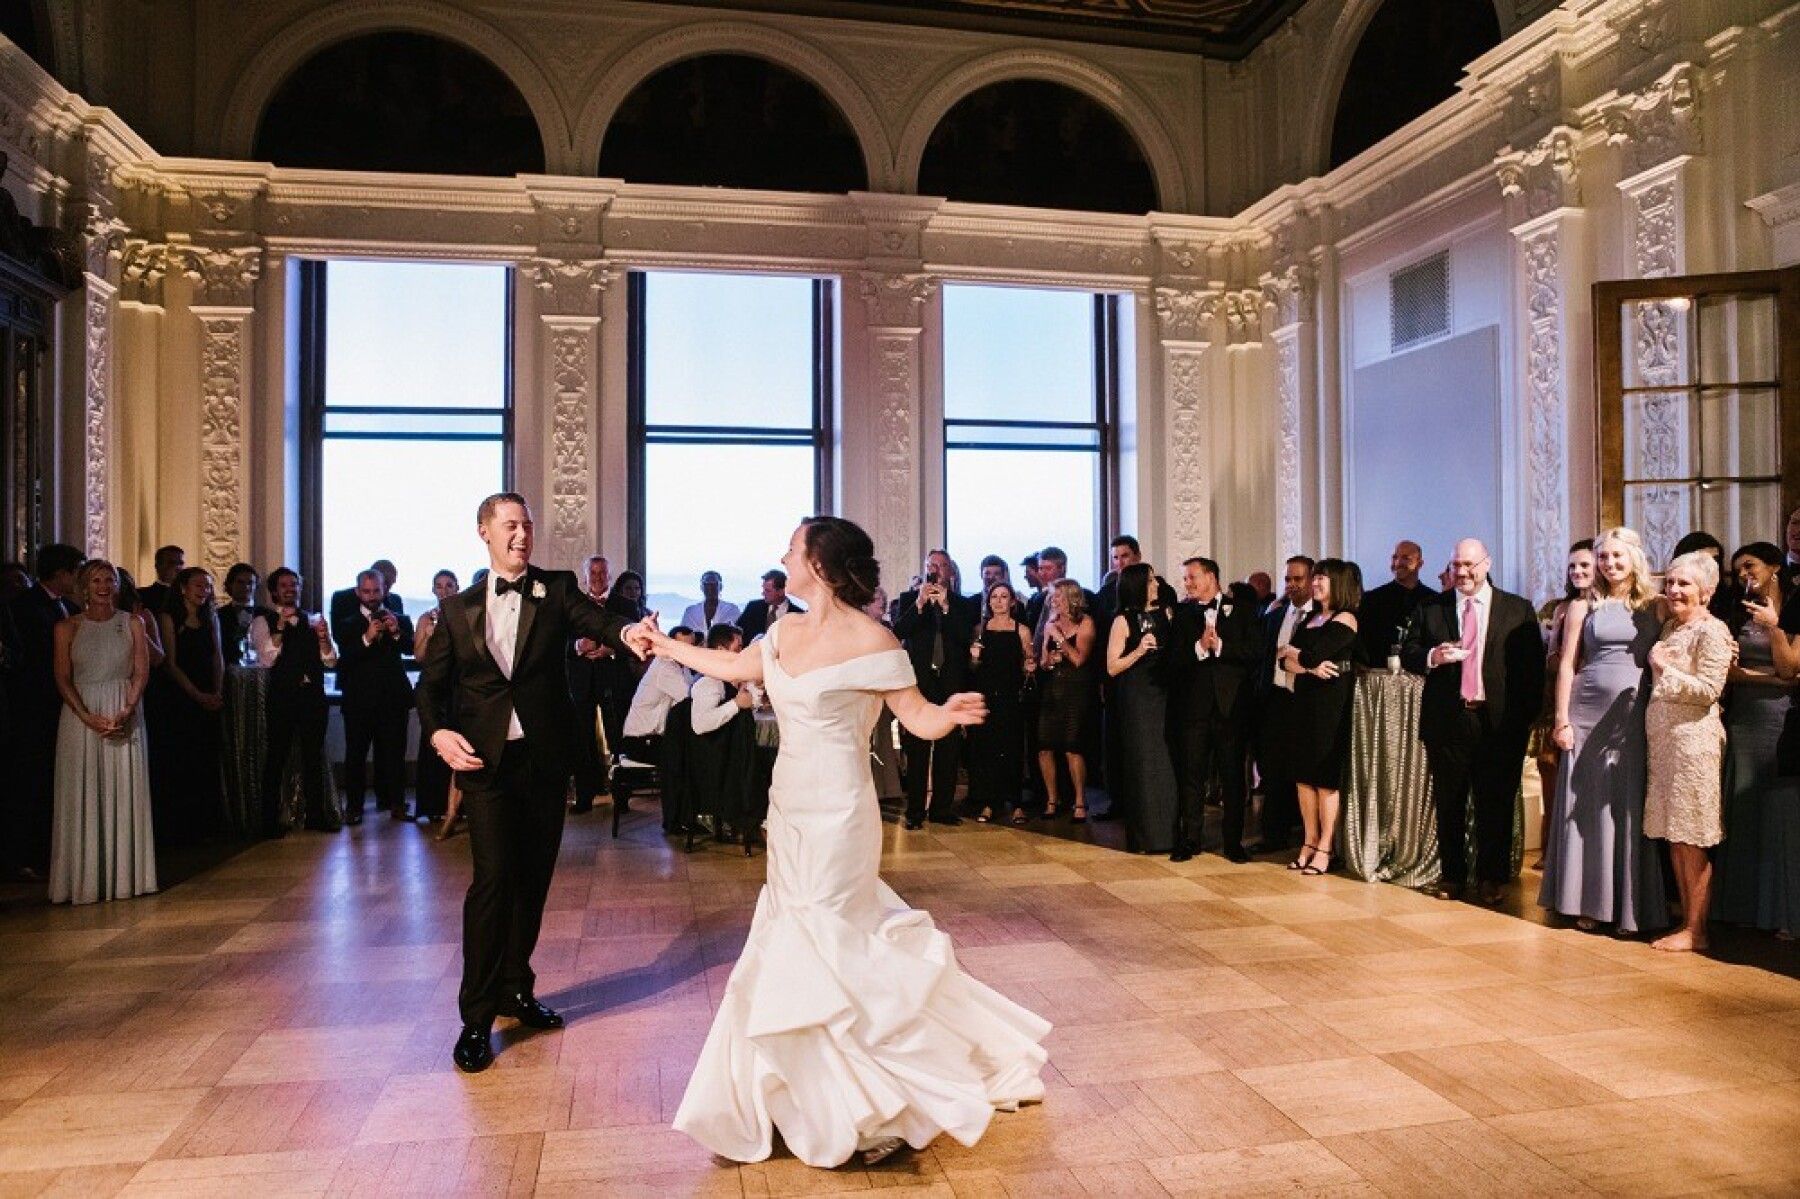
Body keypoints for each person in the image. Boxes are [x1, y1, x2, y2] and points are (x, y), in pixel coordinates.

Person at [645, 515, 1048, 1169]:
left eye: (793, 546)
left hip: (841, 814)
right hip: (791, 808)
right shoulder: (781, 632)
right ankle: (812, 1090)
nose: (782, 553)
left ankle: (870, 1103)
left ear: (821, 565)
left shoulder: (874, 638)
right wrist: (664, 644)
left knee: (834, 937)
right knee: (792, 936)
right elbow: (729, 662)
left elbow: (914, 714)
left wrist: (945, 717)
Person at [415, 492, 652, 1074]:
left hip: (545, 761)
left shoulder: (558, 588)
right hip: (486, 765)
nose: (523, 534)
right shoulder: (456, 609)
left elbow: (599, 620)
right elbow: (431, 687)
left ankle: (516, 991)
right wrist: (439, 732)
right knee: (494, 881)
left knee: (534, 880)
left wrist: (627, 634)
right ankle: (475, 1017)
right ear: (485, 532)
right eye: (511, 525)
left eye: (528, 524)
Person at [1537, 527, 1667, 931]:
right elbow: (1565, 665)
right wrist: (1562, 720)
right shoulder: (1583, 606)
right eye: (1603, 557)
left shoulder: (1656, 605)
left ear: (1633, 557)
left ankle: (1627, 907)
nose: (1609, 564)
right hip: (1586, 710)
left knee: (1626, 803)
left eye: (1616, 556)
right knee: (1587, 805)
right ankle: (1586, 902)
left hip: (1634, 715)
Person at [1404, 537, 1545, 907]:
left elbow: (1532, 672)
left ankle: (1490, 877)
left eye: (1469, 565)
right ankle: (1452, 875)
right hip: (1448, 722)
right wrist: (1434, 655)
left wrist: (1523, 721)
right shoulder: (1430, 607)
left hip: (1498, 725)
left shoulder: (1518, 609)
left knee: (1494, 805)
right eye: (1456, 565)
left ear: (1487, 564)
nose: (1462, 572)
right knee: (1449, 802)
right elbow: (1410, 653)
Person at [49, 560, 156, 904]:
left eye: (109, 580)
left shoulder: (133, 623)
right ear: (84, 586)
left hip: (124, 709)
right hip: (81, 716)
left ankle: (127, 878)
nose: (103, 585)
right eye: (96, 580)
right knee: (84, 791)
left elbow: (141, 671)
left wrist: (127, 708)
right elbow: (62, 679)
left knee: (123, 790)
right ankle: (83, 880)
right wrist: (86, 716)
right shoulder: (66, 627)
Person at [1644, 551, 1734, 952]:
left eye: (1685, 584)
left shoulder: (1712, 632)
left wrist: (1664, 669)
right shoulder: (1670, 629)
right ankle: (1686, 922)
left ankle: (1696, 929)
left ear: (1707, 591)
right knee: (1676, 837)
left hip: (1695, 744)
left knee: (1692, 836)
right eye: (1671, 582)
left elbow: (1709, 691)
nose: (1675, 590)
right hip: (1667, 745)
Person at [1716, 544, 1800, 936]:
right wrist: (1765, 677)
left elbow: (1789, 666)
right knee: (1743, 812)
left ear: (1773, 567)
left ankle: (1779, 911)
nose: (1744, 575)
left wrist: (1774, 625)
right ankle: (1741, 906)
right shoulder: (1738, 611)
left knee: (1777, 815)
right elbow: (1729, 674)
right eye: (1738, 571)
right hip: (1744, 719)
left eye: (1750, 566)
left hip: (1781, 719)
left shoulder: (1792, 609)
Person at [1168, 559, 1262, 862]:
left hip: (1230, 710)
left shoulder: (1243, 610)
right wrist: (1198, 647)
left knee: (1233, 778)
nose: (1187, 583)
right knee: (1191, 775)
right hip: (1193, 710)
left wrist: (1221, 647)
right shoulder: (1182, 613)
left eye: (1192, 577)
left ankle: (1232, 842)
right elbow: (1172, 659)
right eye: (1185, 578)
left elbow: (1255, 652)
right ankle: (1190, 839)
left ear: (1211, 577)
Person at [1276, 558, 1362, 876]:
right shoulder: (1311, 617)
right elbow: (1285, 663)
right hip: (1304, 700)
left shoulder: (1347, 618)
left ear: (1337, 583)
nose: (1316, 583)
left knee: (1325, 778)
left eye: (1322, 578)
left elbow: (1303, 654)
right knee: (1303, 776)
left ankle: (1326, 845)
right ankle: (1309, 841)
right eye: (1315, 578)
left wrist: (1299, 657)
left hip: (1331, 703)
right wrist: (1307, 664)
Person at [2, 542, 81, 880]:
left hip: (59, 705)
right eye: (76, 572)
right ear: (61, 573)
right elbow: (28, 658)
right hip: (33, 707)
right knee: (29, 782)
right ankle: (22, 856)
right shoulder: (25, 606)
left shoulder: (68, 605)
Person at [893, 550, 980, 828]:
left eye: (942, 566)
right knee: (917, 749)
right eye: (931, 565)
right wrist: (920, 604)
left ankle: (942, 808)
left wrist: (945, 608)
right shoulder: (908, 600)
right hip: (920, 683)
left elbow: (965, 635)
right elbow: (900, 631)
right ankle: (915, 811)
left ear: (950, 573)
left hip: (950, 683)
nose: (936, 570)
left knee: (948, 748)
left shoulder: (963, 604)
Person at [252, 566, 338, 835]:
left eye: (294, 584)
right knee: (276, 757)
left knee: (313, 757)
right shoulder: (262, 621)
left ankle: (316, 815)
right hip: (282, 698)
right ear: (275, 591)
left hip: (313, 698)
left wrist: (324, 640)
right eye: (285, 585)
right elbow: (267, 659)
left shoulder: (312, 620)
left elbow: (330, 660)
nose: (291, 589)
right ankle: (268, 821)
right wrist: (279, 628)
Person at [1105, 562, 1180, 856]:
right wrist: (1137, 651)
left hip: (1164, 693)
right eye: (1150, 581)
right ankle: (1146, 838)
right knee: (1143, 763)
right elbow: (1112, 667)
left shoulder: (1167, 613)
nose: (1156, 585)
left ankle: (1171, 835)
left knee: (1166, 763)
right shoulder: (1123, 621)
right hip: (1137, 697)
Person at [1528, 541, 1595, 869]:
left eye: (1585, 565)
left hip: (1601, 703)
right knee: (1552, 779)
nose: (1578, 572)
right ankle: (1552, 851)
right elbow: (1553, 661)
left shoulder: (1617, 607)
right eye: (1573, 566)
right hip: (1558, 699)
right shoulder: (1560, 607)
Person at [332, 568, 415, 824]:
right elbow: (343, 659)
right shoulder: (347, 625)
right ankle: (354, 808)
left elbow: (411, 648)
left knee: (394, 754)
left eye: (376, 591)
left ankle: (397, 804)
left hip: (392, 698)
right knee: (356, 754)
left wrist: (396, 632)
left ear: (384, 590)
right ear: (358, 592)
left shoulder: (399, 619)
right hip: (358, 700)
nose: (371, 596)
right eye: (366, 591)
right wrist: (367, 638)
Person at [154, 566, 225, 846]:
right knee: (183, 760)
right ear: (183, 588)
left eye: (207, 586)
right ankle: (182, 828)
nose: (204, 591)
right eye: (198, 585)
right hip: (181, 696)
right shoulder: (168, 617)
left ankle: (207, 825)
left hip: (209, 691)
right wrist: (197, 695)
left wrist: (216, 691)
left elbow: (218, 655)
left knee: (207, 759)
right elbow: (170, 663)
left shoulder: (211, 617)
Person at [1253, 556, 1313, 852]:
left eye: (1298, 579)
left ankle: (1307, 836)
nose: (1291, 585)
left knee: (1303, 770)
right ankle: (1273, 835)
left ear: (1313, 581)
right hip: (1275, 698)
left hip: (1305, 700)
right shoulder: (1274, 615)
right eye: (1288, 579)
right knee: (1273, 769)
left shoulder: (1321, 618)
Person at [967, 580, 1034, 825]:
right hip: (987, 697)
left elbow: (1028, 665)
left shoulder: (1022, 630)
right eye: (994, 596)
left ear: (1012, 601)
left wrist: (1030, 667)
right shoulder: (980, 629)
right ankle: (988, 803)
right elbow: (973, 669)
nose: (998, 601)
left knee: (1013, 749)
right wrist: (974, 659)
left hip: (1011, 697)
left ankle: (1016, 803)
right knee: (987, 750)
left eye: (1004, 596)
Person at [1035, 578, 1097, 821]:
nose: (1053, 601)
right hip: (1052, 689)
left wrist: (1059, 637)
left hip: (1076, 690)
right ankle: (1052, 799)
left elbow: (1080, 659)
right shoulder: (1050, 623)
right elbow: (1043, 660)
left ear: (1071, 597)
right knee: (1045, 746)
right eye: (1052, 597)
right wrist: (1048, 659)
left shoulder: (1085, 622)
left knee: (1073, 746)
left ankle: (1080, 801)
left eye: (1058, 596)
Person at [412, 570, 461, 826]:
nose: (444, 591)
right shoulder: (424, 619)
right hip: (433, 688)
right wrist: (430, 636)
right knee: (433, 744)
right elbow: (419, 656)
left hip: (457, 687)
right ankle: (432, 805)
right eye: (439, 586)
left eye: (449, 585)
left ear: (457, 588)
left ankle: (457, 806)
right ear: (433, 590)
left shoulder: (462, 616)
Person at [1355, 540, 1436, 664]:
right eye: (1395, 557)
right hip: (1379, 673)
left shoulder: (1433, 601)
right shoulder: (1372, 599)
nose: (1398, 563)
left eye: (1405, 558)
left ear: (1420, 563)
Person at [217, 562, 272, 667]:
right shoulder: (218, 615)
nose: (246, 587)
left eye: (250, 583)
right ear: (230, 584)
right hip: (227, 672)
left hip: (259, 674)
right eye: (240, 582)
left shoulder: (268, 615)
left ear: (256, 585)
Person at [738, 568, 804, 638]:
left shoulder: (798, 615)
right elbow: (737, 634)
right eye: (763, 589)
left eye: (767, 591)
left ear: (781, 591)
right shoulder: (753, 607)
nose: (763, 593)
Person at [138, 544, 184, 618]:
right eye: (171, 563)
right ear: (158, 566)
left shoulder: (189, 596)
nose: (178, 567)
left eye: (181, 563)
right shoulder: (141, 595)